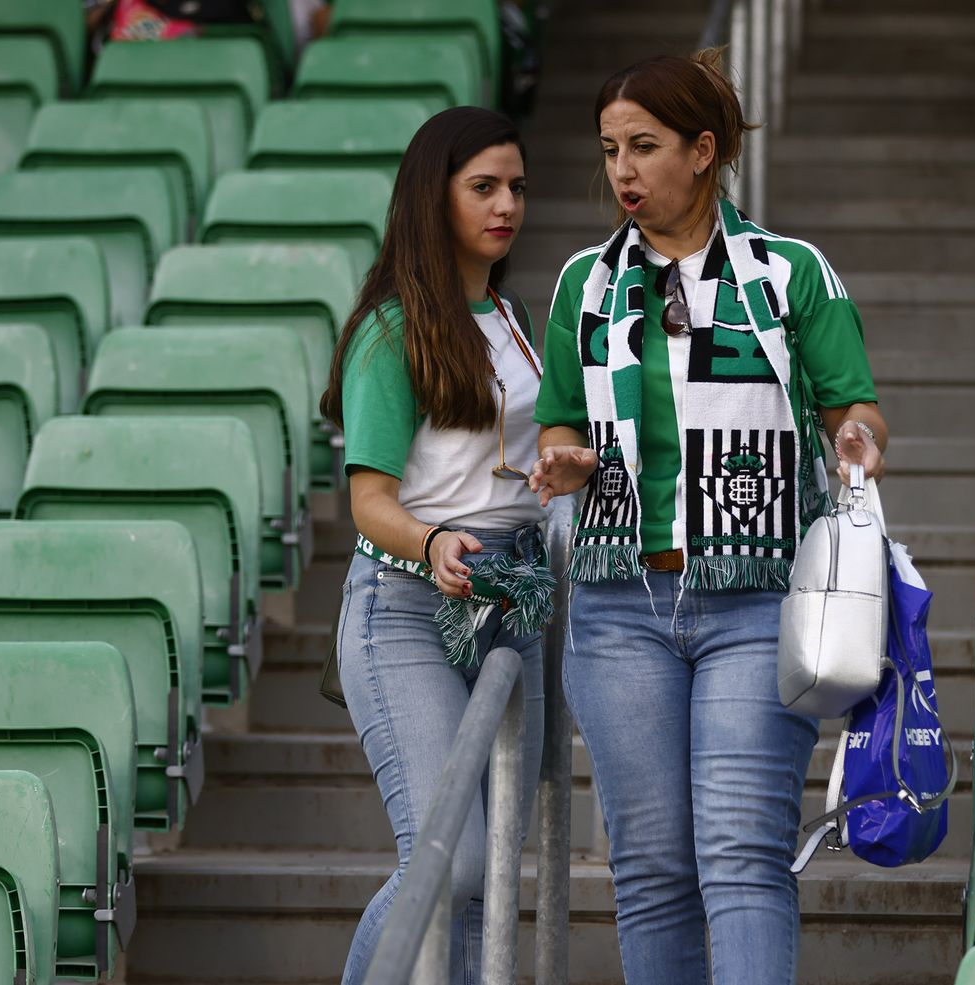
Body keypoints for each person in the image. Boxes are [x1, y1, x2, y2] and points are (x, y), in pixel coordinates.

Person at [529, 49, 888, 985]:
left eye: (644, 147)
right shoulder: (584, 283)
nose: (623, 171)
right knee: (650, 869)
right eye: (609, 149)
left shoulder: (788, 271)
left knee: (739, 854)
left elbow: (852, 404)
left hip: (755, 600)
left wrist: (854, 440)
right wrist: (564, 455)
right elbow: (561, 414)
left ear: (704, 150)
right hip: (615, 606)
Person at [321, 106, 549, 985]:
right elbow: (369, 501)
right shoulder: (391, 327)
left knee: (488, 877)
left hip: (512, 604)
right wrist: (434, 540)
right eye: (483, 186)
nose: (506, 205)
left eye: (517, 187)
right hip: (408, 606)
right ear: (433, 196)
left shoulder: (516, 312)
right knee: (447, 861)